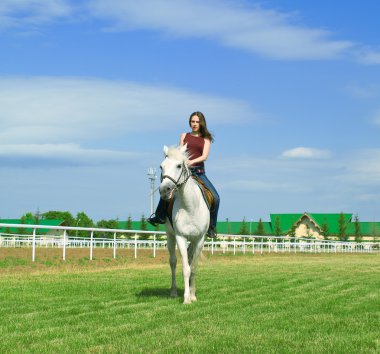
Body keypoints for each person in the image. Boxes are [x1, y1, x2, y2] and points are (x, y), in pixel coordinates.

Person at [148, 111, 220, 238]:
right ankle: (159, 216)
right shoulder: (183, 135)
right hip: (183, 172)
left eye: (197, 122)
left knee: (216, 197)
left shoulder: (206, 139)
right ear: (190, 122)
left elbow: (204, 156)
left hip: (198, 172)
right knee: (167, 188)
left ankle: (211, 227)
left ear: (201, 123)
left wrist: (191, 161)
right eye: (193, 121)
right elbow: (179, 153)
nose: (195, 124)